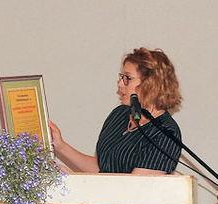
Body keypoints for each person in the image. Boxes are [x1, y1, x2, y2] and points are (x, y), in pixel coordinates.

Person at [50, 47, 182, 174]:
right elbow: (100, 169)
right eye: (121, 77)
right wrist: (60, 145)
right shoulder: (119, 114)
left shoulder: (166, 133)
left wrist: (74, 180)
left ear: (151, 84)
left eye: (127, 78)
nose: (120, 83)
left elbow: (136, 186)